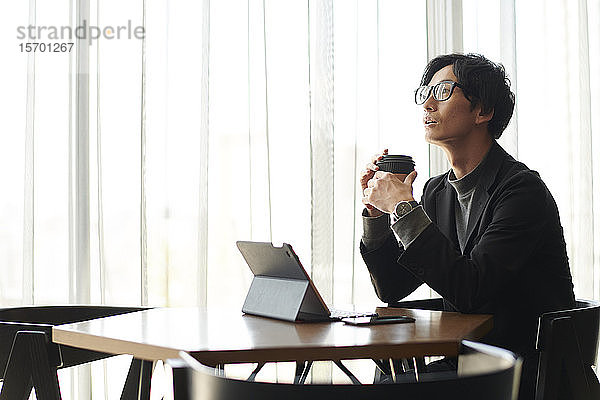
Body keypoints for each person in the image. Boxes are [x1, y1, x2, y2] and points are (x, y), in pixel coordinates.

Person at [360, 53, 575, 399]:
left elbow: (471, 289)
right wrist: (377, 213)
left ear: (482, 112)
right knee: (389, 382)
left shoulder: (521, 191)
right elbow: (392, 287)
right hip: (469, 362)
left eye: (443, 91)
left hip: (523, 369)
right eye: (425, 92)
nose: (428, 102)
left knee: (391, 389)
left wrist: (403, 207)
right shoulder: (436, 191)